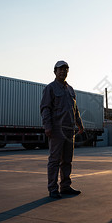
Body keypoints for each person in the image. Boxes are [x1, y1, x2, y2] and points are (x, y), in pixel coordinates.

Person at [40, 60, 84, 199]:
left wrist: (79, 124)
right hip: (56, 130)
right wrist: (47, 126)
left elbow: (75, 109)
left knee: (67, 160)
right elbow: (45, 108)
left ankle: (65, 186)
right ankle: (53, 189)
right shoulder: (50, 88)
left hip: (69, 131)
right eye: (60, 69)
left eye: (65, 69)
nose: (63, 71)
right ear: (55, 71)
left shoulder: (70, 89)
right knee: (54, 160)